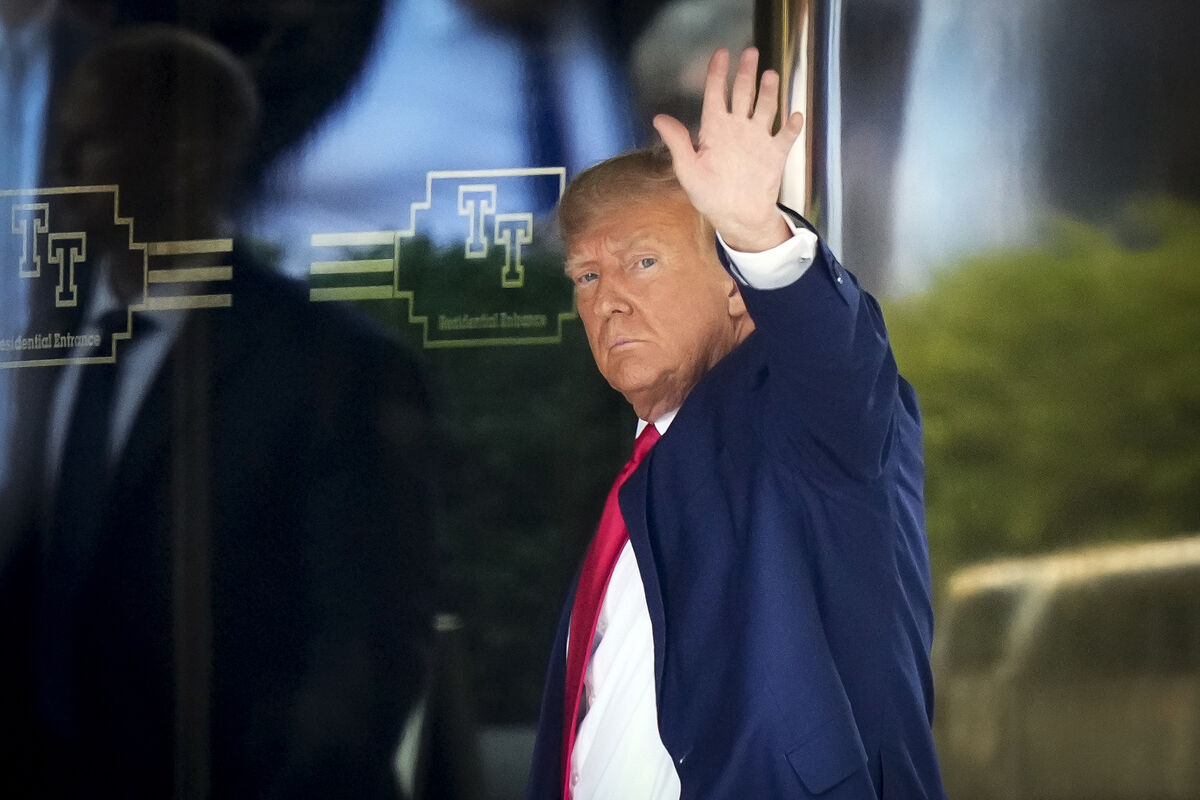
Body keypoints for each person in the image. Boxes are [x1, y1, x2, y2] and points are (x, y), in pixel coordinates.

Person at [0, 27, 437, 797]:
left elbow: (362, 657)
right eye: (61, 143)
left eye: (94, 143)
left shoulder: (337, 371)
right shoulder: (39, 345)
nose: (61, 173)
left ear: (192, 157)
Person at [526, 47, 946, 798]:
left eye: (642, 263)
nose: (607, 300)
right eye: (588, 276)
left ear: (735, 289)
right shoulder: (643, 477)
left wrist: (755, 231)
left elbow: (837, 357)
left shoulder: (802, 418)